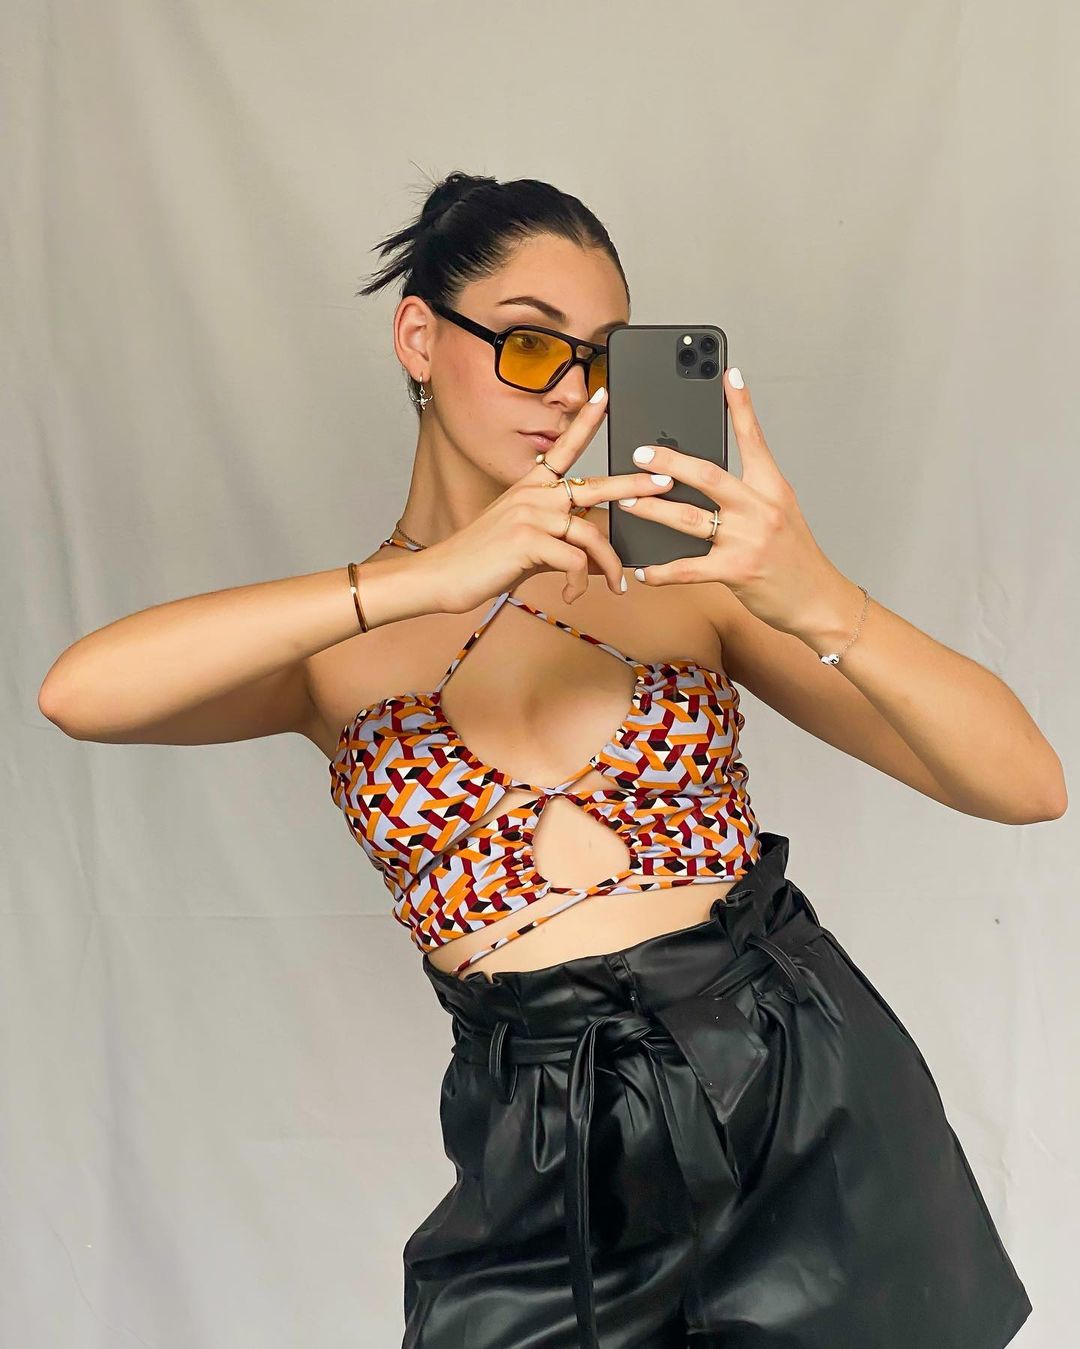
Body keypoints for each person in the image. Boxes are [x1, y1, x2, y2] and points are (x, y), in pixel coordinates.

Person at [40, 170, 1063, 1348]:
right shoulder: (333, 652)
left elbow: (1026, 783)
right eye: (529, 345)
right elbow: (79, 692)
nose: (570, 389)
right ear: (420, 338)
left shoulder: (681, 584)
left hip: (797, 1098)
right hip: (543, 1144)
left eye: (600, 359)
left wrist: (819, 593)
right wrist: (427, 580)